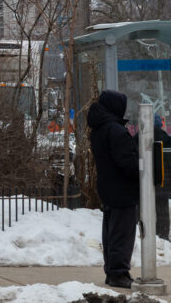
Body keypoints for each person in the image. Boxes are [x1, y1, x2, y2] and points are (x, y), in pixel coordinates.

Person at [87, 90, 139, 290]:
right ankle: (118, 273)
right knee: (122, 233)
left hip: (108, 187)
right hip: (122, 189)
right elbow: (127, 162)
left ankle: (112, 270)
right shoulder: (115, 130)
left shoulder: (100, 128)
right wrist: (142, 169)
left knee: (111, 231)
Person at [155, 114, 171, 241]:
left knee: (145, 209)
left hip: (146, 182)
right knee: (163, 210)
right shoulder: (166, 138)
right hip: (163, 182)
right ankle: (163, 235)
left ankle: (149, 234)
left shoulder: (139, 138)